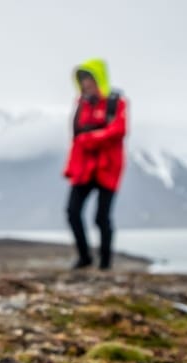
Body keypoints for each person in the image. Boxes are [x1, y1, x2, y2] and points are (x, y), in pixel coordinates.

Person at [63, 58, 128, 270]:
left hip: (108, 168)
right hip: (84, 169)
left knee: (102, 217)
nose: (86, 83)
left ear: (98, 79)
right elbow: (76, 139)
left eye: (89, 78)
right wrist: (71, 167)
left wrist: (90, 138)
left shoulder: (115, 102)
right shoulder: (81, 105)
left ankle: (105, 262)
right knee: (72, 211)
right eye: (82, 80)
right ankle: (85, 257)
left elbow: (118, 131)